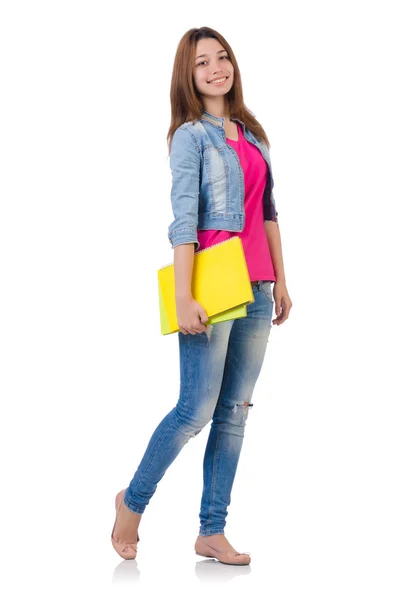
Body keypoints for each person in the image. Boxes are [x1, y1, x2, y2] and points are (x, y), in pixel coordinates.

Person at [111, 26, 293, 566]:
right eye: (201, 63)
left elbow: (269, 214)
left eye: (222, 58)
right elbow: (184, 221)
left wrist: (282, 280)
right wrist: (186, 294)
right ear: (187, 77)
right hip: (213, 288)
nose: (216, 68)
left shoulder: (252, 134)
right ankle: (132, 502)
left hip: (258, 288)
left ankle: (211, 531)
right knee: (195, 409)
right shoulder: (190, 136)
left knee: (234, 411)